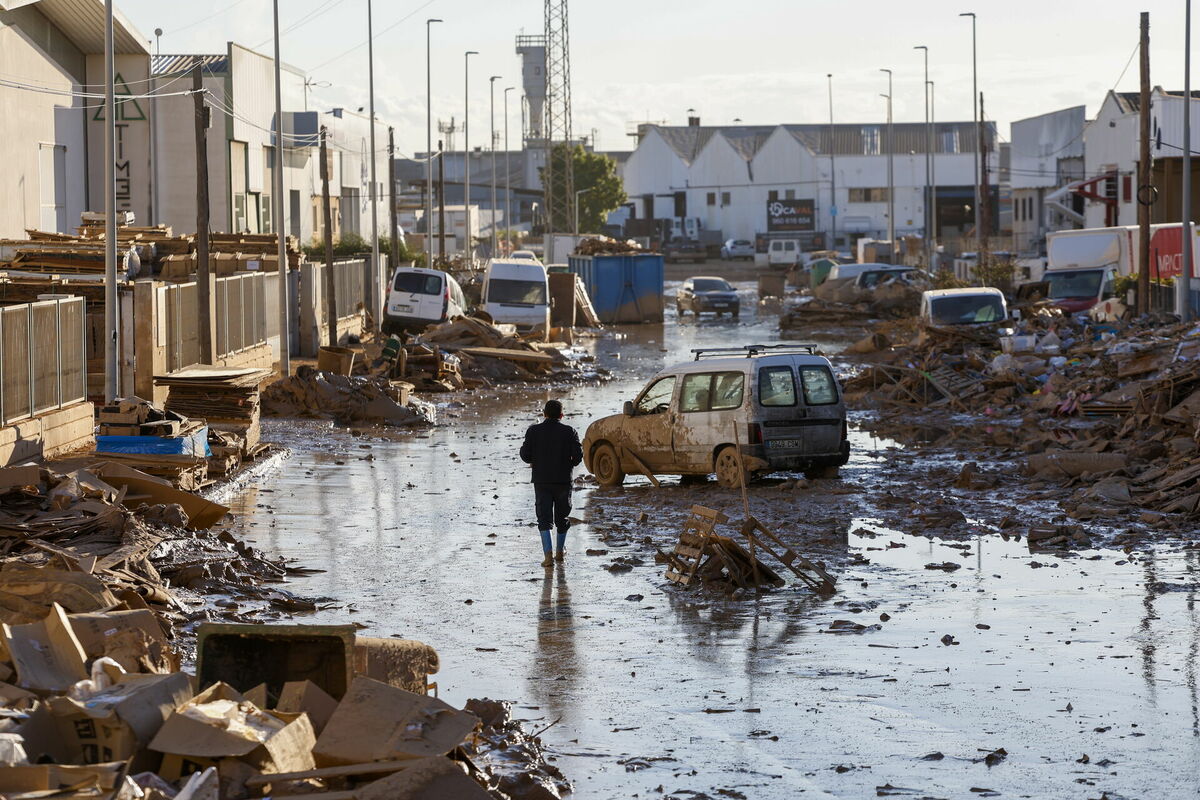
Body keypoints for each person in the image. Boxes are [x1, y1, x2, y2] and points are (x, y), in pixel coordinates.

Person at [519, 399, 583, 567]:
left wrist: (535, 458)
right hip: (563, 481)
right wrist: (568, 462)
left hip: (541, 481)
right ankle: (560, 553)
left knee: (544, 518)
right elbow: (577, 457)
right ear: (562, 415)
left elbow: (525, 455)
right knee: (562, 517)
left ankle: (548, 557)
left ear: (544, 414)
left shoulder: (533, 431)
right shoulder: (570, 431)